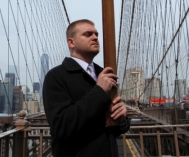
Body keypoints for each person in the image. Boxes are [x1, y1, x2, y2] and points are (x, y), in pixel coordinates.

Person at [43, 19, 130, 157]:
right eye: (88, 34)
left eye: (96, 34)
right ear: (71, 42)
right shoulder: (56, 76)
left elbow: (115, 128)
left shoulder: (104, 73)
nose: (95, 37)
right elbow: (61, 127)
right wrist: (100, 91)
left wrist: (123, 118)